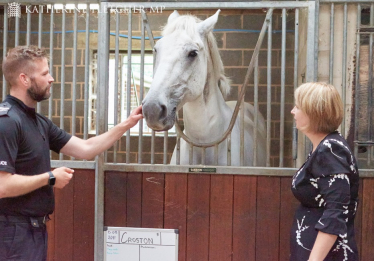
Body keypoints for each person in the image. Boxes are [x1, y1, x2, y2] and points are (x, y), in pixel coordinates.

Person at [0, 45, 143, 260]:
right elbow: (2, 186)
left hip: (34, 230)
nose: (52, 78)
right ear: (24, 79)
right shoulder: (8, 122)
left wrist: (127, 123)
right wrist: (49, 178)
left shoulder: (39, 122)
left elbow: (86, 149)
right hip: (12, 232)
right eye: (45, 73)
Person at [290, 82, 359, 261]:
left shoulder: (330, 150)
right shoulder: (323, 147)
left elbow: (335, 212)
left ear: (314, 113)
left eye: (298, 107)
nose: (293, 111)